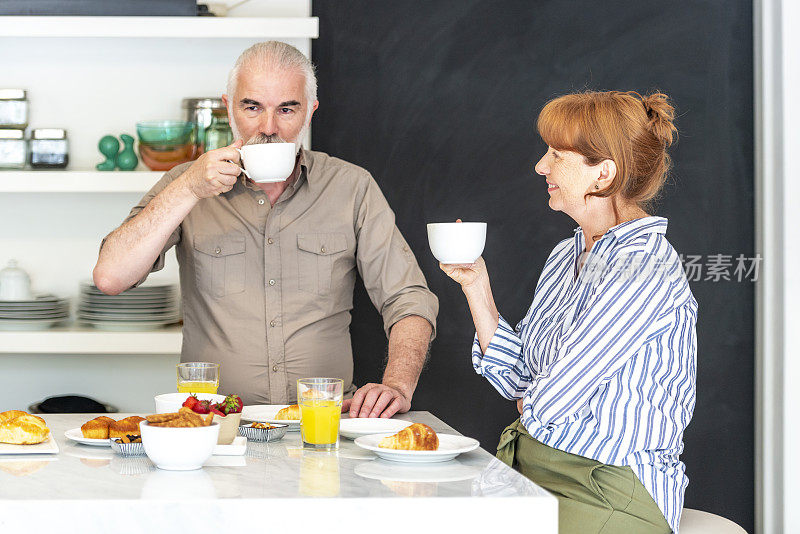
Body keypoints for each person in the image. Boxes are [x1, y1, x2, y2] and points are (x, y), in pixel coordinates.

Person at [93, 41, 438, 417]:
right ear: (228, 107)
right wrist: (189, 187)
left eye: (287, 109)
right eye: (252, 107)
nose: (268, 127)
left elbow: (408, 298)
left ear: (311, 112)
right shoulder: (186, 184)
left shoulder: (352, 187)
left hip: (324, 421)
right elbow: (111, 277)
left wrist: (397, 385)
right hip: (216, 425)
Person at [441, 91, 696, 533]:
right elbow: (520, 380)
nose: (541, 166)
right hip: (533, 465)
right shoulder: (567, 254)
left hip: (610, 485)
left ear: (604, 173)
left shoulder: (645, 265)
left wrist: (535, 400)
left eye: (557, 155)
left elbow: (554, 397)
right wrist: (477, 286)